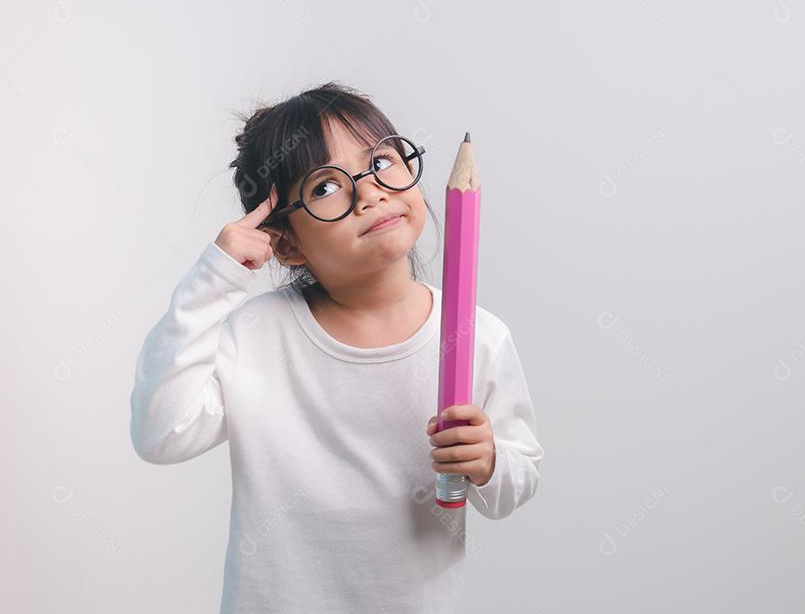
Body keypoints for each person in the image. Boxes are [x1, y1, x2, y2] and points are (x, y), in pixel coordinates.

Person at [128, 81, 543, 614]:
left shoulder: (478, 335)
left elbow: (517, 479)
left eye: (383, 160)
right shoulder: (257, 334)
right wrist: (213, 280)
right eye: (325, 187)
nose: (370, 191)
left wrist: (489, 462)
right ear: (288, 243)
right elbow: (160, 433)